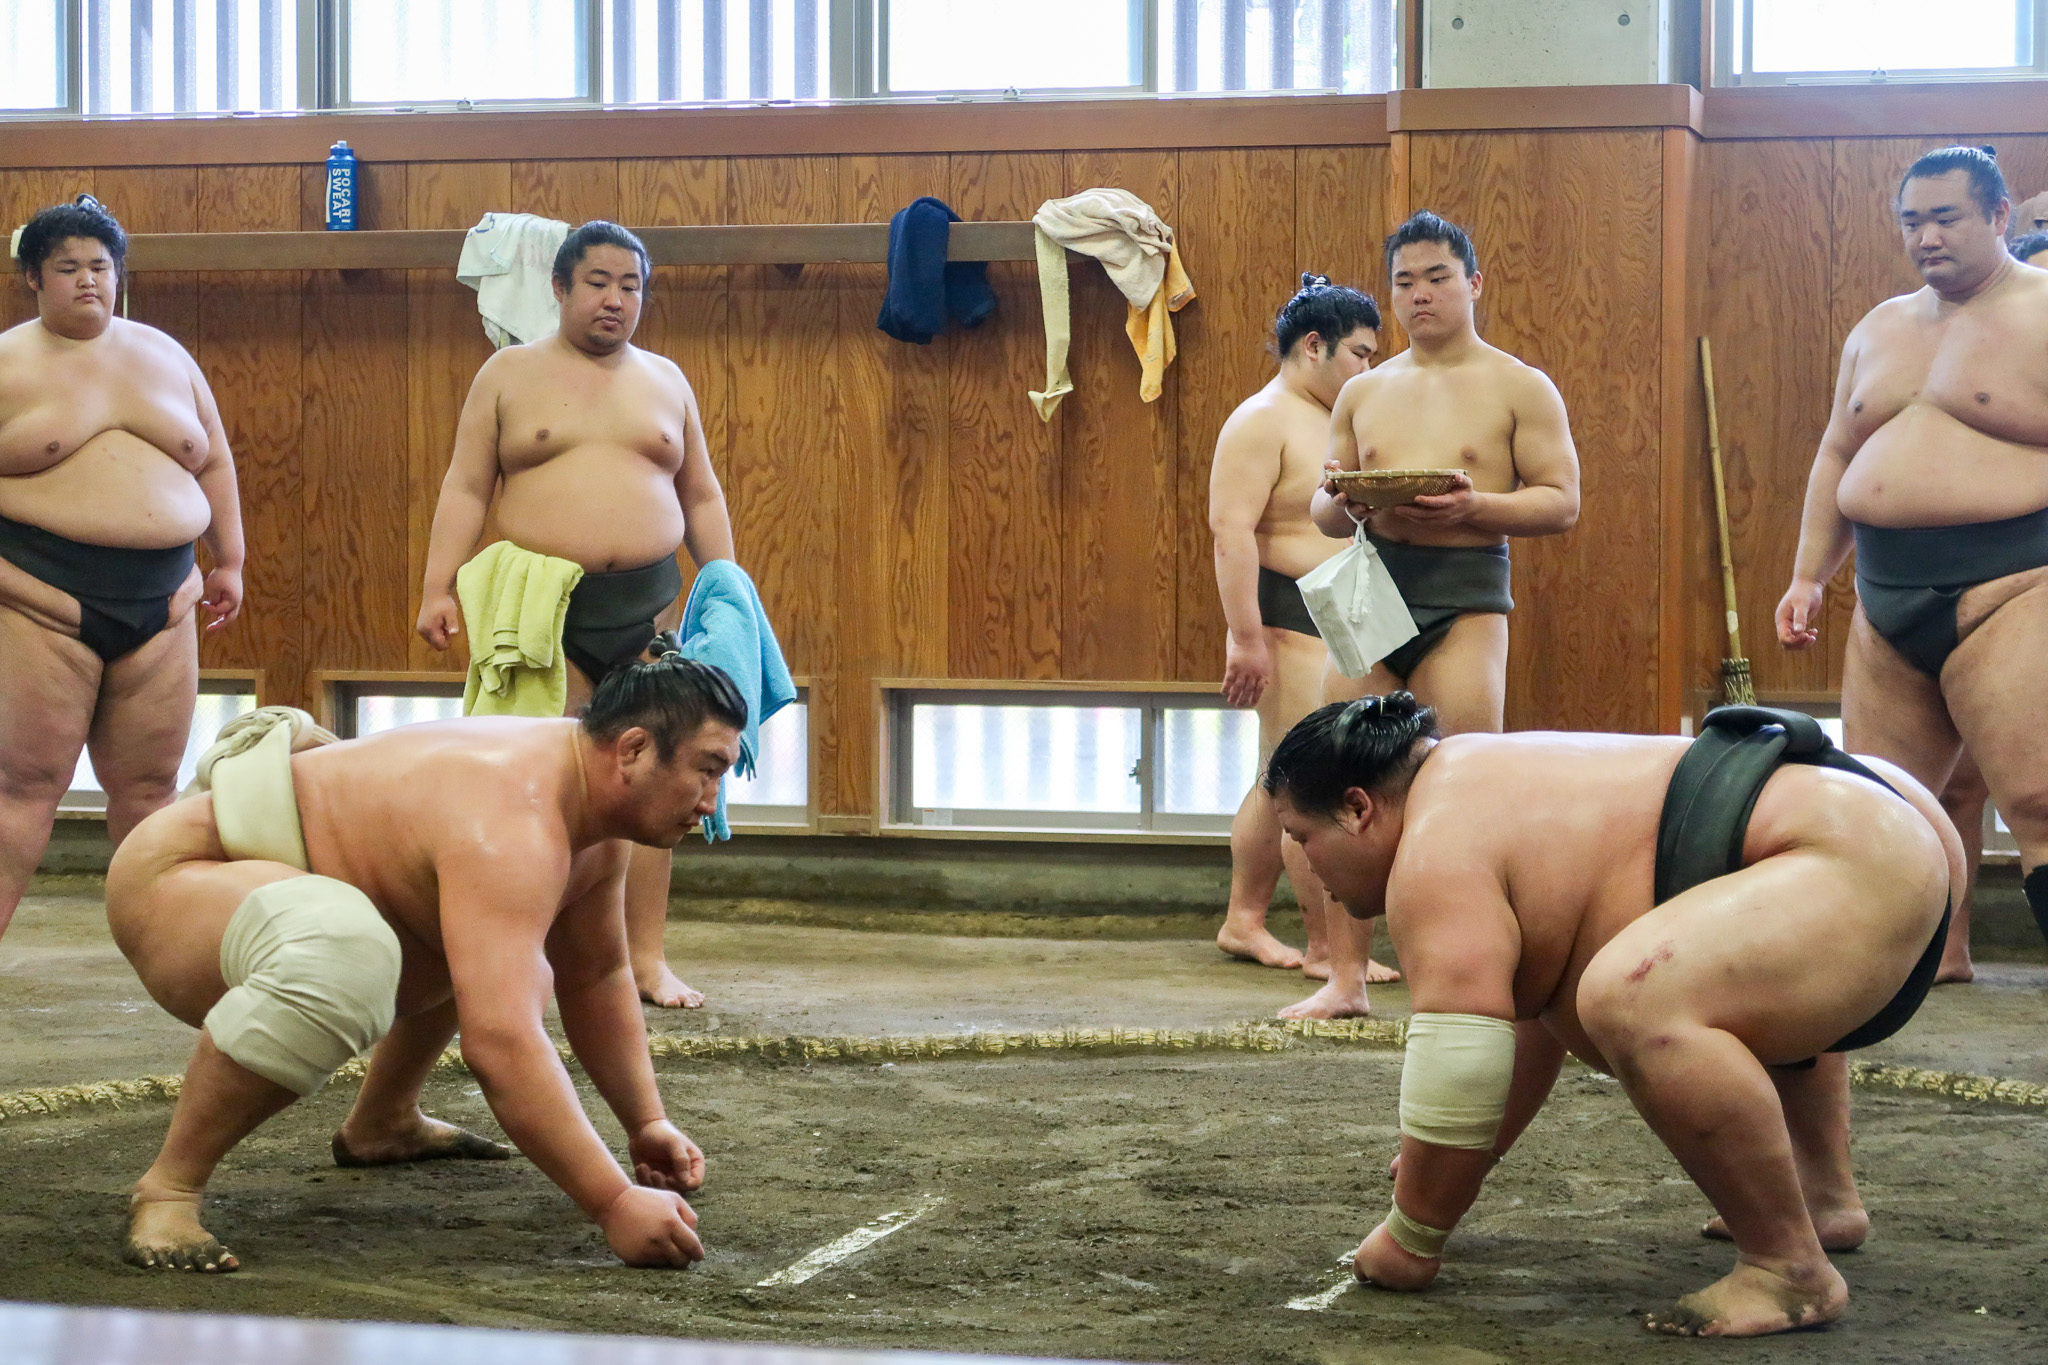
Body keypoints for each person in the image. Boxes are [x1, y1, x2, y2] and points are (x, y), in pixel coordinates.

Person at [1265, 693, 1961, 1338]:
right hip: (1874, 816)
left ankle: (1788, 1268)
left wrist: (1410, 1237)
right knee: (1711, 964)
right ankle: (1824, 1198)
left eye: (1301, 835)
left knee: (1633, 992)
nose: (1305, 863)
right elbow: (1518, 1026)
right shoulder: (1474, 776)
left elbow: (1460, 1067)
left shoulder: (1431, 848)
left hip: (1855, 856)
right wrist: (1449, 1173)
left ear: (1358, 808)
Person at [107, 654, 744, 1273]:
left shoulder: (588, 809)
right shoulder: (512, 820)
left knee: (471, 940)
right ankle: (169, 1191)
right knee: (345, 951)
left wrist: (646, 1122)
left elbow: (596, 976)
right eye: (706, 770)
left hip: (281, 879)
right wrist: (613, 1202)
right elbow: (500, 1041)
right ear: (632, 749)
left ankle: (383, 1120)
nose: (712, 802)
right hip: (180, 879)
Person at [416, 221, 735, 1008]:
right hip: (543, 611)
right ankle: (528, 955)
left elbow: (700, 491)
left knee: (658, 781)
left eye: (630, 286)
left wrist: (728, 586)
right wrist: (437, 585)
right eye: (598, 282)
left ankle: (644, 959)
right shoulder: (507, 374)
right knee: (542, 783)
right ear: (559, 288)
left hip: (651, 605)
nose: (615, 299)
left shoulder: (666, 379)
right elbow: (465, 486)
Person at [1775, 146, 2048, 949]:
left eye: (1946, 218)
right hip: (1885, 601)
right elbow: (1835, 451)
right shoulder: (1878, 328)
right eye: (1911, 221)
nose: (1926, 237)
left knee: (2037, 802)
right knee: (1877, 813)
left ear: (1999, 217)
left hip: (2014, 585)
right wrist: (1808, 575)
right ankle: (1853, 1015)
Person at [0, 195, 245, 939]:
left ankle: (165, 957)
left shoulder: (166, 354)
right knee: (22, 791)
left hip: (166, 599)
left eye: (100, 267)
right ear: (33, 279)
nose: (87, 281)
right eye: (67, 268)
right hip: (39, 595)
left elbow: (216, 456)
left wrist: (229, 558)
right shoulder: (7, 362)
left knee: (149, 793)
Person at [1310, 210, 1579, 736]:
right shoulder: (1362, 391)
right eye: (1405, 282)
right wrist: (1343, 501)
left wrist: (1474, 506)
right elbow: (1323, 514)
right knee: (1341, 770)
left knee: (1459, 772)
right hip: (1370, 586)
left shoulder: (1521, 386)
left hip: (1464, 601)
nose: (1420, 295)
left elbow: (1562, 502)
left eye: (1438, 278)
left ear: (1474, 284)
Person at [1208, 274, 1398, 1018]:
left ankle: (1242, 919)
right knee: (1304, 780)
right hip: (1286, 616)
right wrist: (1244, 636)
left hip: (1344, 611)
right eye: (1359, 352)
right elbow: (1231, 532)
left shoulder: (1330, 415)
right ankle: (1323, 944)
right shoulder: (1261, 419)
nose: (1369, 369)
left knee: (1276, 776)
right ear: (1312, 346)